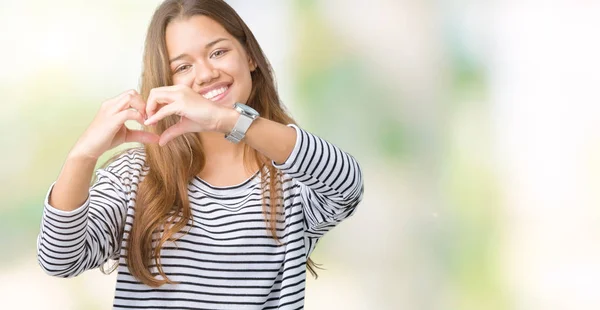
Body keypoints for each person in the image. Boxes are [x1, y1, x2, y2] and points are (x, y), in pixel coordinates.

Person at [36, 0, 364, 308]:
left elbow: (347, 184)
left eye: (218, 52)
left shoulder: (293, 174)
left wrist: (225, 119)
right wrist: (82, 156)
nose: (205, 74)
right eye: (183, 67)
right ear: (166, 81)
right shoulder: (137, 173)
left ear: (250, 57)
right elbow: (59, 259)